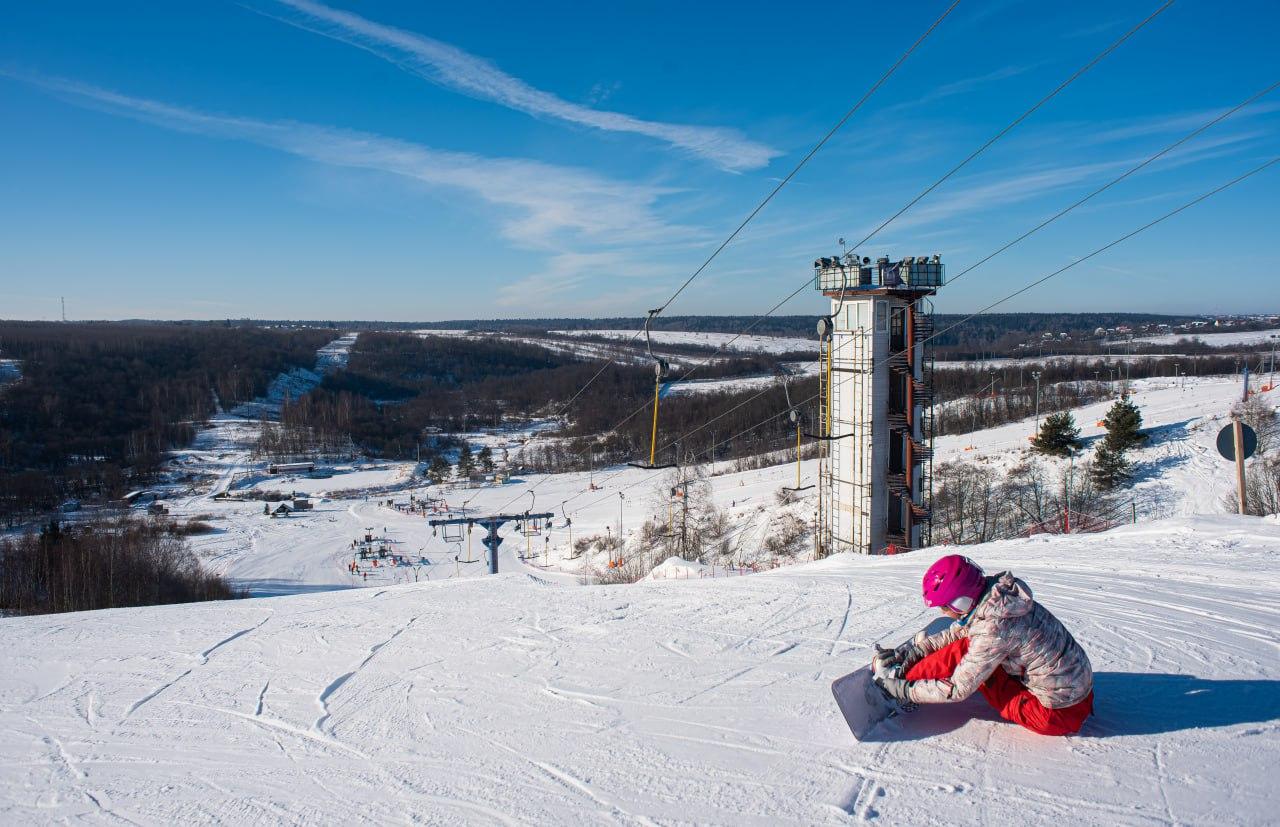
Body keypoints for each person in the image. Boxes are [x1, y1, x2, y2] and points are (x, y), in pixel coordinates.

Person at [873, 554, 1094, 736]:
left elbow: (957, 689)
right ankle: (910, 672)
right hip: (1076, 692)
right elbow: (960, 632)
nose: (942, 613)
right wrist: (918, 651)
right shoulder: (998, 598)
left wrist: (906, 691)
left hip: (1056, 714)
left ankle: (904, 680)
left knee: (975, 664)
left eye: (944, 607)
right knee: (967, 645)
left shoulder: (994, 626)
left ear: (961, 602)